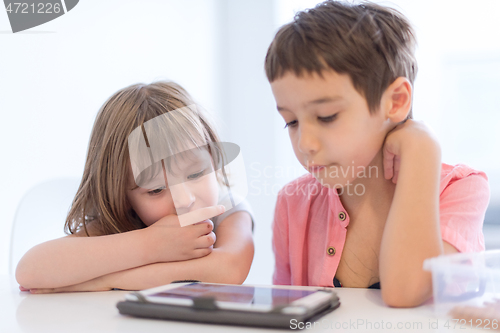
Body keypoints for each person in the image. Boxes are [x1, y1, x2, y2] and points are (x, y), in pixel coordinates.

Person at [265, 0, 489, 307]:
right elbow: (284, 314)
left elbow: (406, 291)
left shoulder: (460, 190)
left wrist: (423, 149)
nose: (305, 143)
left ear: (396, 101)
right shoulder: (293, 203)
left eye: (327, 116)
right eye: (291, 121)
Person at [16, 81, 254, 293]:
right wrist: (151, 244)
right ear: (123, 197)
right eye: (156, 190)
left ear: (213, 157)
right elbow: (29, 270)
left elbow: (229, 270)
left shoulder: (229, 210)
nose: (184, 199)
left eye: (195, 173)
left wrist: (107, 279)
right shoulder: (122, 222)